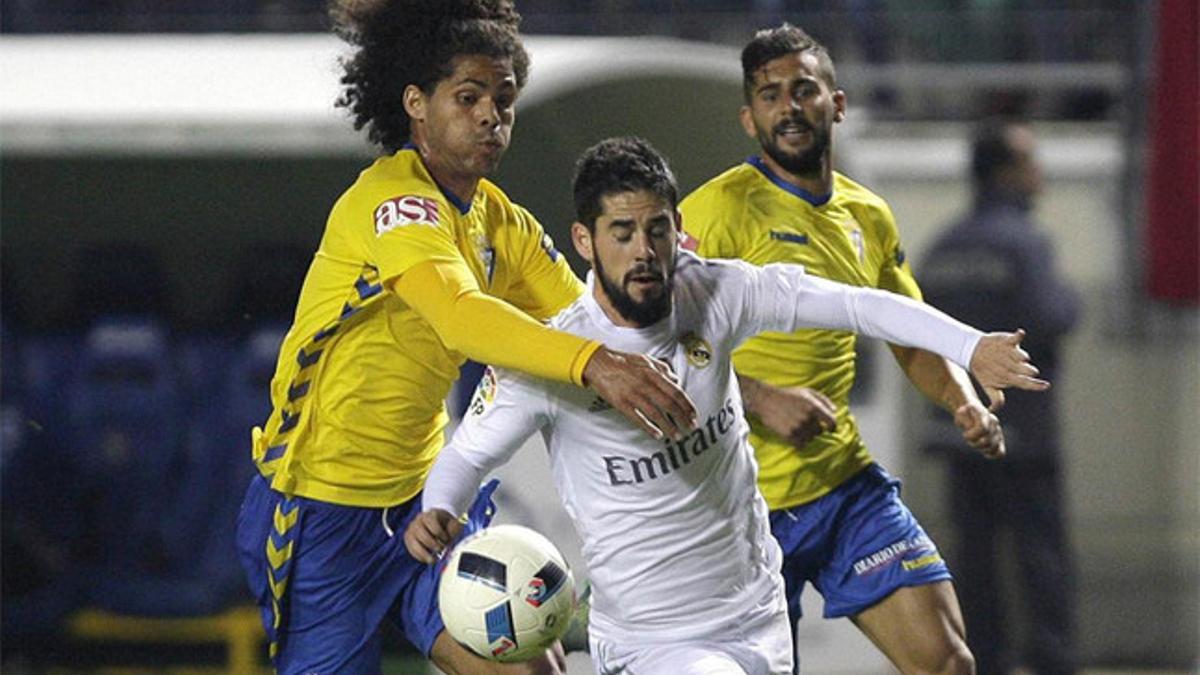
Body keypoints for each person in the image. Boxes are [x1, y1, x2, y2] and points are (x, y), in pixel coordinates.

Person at [405, 137, 1048, 675]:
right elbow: (465, 456)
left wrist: (971, 346)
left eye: (657, 229)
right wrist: (439, 509)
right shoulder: (554, 358)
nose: (643, 250)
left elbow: (857, 302)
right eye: (622, 233)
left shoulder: (716, 294)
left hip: (757, 615)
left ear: (677, 229)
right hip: (652, 644)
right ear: (584, 240)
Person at [232, 3, 697, 674]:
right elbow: (460, 313)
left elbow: (589, 311)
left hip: (426, 505)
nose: (490, 116)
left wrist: (700, 351)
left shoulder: (495, 219)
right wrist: (593, 364)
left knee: (535, 668)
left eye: (504, 101)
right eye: (469, 97)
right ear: (416, 103)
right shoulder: (392, 204)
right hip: (321, 513)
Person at [679, 23, 1010, 673]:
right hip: (737, 509)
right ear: (750, 119)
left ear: (837, 103)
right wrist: (759, 397)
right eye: (770, 95)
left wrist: (963, 400)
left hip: (843, 488)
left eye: (804, 89)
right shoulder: (713, 213)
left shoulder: (867, 215)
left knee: (948, 662)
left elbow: (907, 331)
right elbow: (652, 344)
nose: (788, 106)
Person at [921, 120, 1081, 675]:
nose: (1040, 174)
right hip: (1025, 435)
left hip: (959, 430)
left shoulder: (942, 247)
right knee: (1041, 556)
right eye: (1030, 161)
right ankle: (1052, 660)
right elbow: (1050, 316)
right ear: (1006, 172)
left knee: (975, 557)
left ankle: (984, 660)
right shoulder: (1024, 242)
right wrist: (1071, 301)